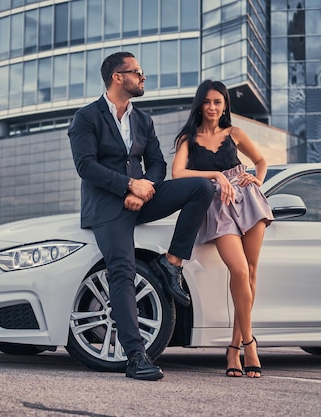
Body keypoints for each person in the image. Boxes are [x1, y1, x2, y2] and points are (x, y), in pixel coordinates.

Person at [68, 52, 214, 381]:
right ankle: (136, 355)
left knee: (200, 189)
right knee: (122, 269)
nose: (143, 77)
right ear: (118, 77)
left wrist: (145, 187)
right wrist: (128, 187)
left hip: (140, 197)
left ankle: (171, 263)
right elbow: (86, 166)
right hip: (106, 206)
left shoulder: (143, 121)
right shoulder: (86, 117)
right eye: (137, 72)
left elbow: (159, 163)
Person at [171, 80, 274, 378]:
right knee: (239, 271)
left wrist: (258, 179)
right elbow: (178, 173)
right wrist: (217, 174)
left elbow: (261, 160)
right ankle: (249, 344)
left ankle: (235, 346)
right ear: (199, 105)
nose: (213, 107)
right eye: (207, 102)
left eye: (218, 102)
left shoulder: (235, 133)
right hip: (218, 205)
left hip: (249, 201)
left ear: (225, 105)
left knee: (252, 273)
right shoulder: (188, 138)